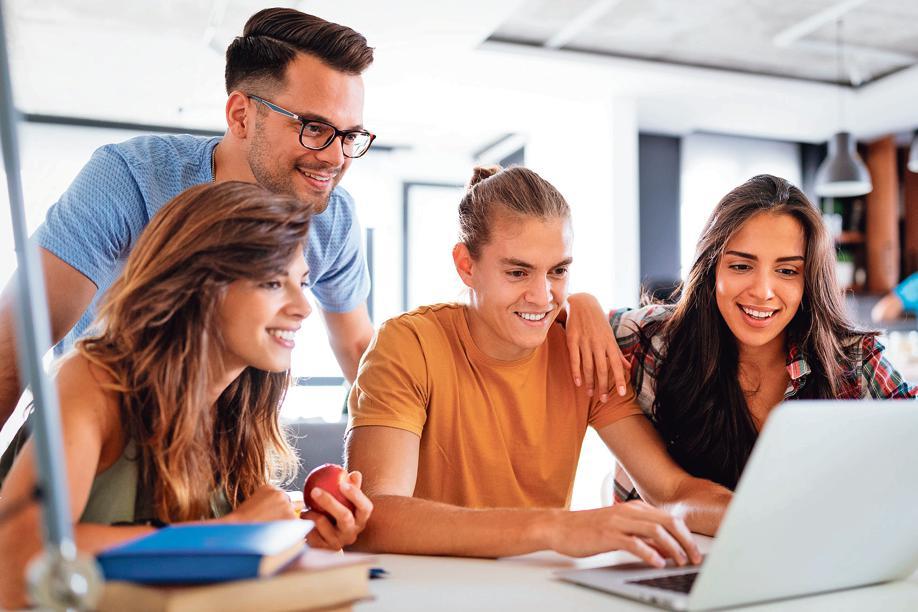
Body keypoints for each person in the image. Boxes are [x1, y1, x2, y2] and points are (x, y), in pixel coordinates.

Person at [0, 7, 377, 433]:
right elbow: (15, 342)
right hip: (108, 433)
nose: (335, 157)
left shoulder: (333, 216)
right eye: (314, 128)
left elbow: (359, 350)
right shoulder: (131, 178)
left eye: (350, 136)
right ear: (241, 116)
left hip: (227, 450)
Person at [0, 182, 373, 609]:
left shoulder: (239, 413)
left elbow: (202, 576)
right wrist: (230, 536)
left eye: (301, 283)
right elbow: (20, 558)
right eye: (272, 282)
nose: (304, 308)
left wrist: (302, 546)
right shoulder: (96, 381)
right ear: (197, 286)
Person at [345, 166, 731, 563]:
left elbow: (671, 492)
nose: (543, 296)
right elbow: (376, 516)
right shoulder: (408, 345)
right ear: (466, 265)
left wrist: (764, 517)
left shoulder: (580, 353)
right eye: (517, 272)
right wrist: (555, 527)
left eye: (558, 271)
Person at [565, 174, 917, 501]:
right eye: (741, 266)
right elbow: (541, 318)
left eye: (786, 271)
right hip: (659, 565)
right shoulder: (652, 339)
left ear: (809, 279)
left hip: (802, 563)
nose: (763, 291)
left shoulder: (851, 360)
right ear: (711, 267)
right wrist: (578, 304)